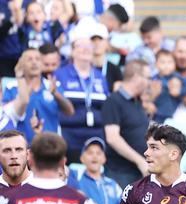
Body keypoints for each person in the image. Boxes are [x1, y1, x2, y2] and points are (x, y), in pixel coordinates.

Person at [55, 34, 110, 163]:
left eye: (89, 46)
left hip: (96, 135)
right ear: (72, 51)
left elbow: (106, 105)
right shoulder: (60, 74)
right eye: (80, 46)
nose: (85, 49)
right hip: (69, 135)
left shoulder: (99, 76)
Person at [2, 48, 74, 143]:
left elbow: (70, 112)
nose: (34, 62)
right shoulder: (12, 87)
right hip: (22, 147)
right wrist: (25, 92)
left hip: (50, 145)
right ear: (21, 63)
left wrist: (56, 94)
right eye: (29, 59)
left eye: (37, 59)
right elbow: (6, 116)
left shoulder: (52, 85)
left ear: (42, 64)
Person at [102, 59, 151, 188]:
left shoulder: (137, 102)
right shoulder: (113, 101)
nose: (149, 83)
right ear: (136, 77)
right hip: (120, 173)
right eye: (147, 78)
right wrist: (140, 161)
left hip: (138, 172)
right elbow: (112, 138)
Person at [152, 49, 186, 123]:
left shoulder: (177, 77)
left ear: (174, 64)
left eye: (169, 62)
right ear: (156, 64)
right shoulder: (154, 79)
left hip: (173, 115)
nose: (166, 65)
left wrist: (179, 92)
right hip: (156, 114)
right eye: (162, 62)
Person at [91, 23, 123, 92]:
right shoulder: (83, 67)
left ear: (107, 43)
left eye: (100, 39)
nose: (97, 43)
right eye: (93, 39)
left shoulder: (115, 70)